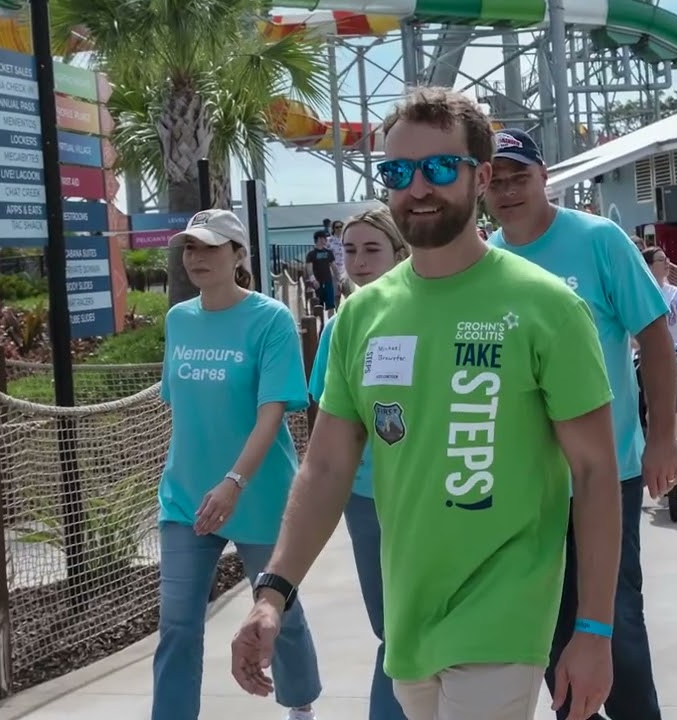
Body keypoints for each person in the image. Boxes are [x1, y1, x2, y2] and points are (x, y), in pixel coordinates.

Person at [231, 86, 621, 720]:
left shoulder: (547, 307)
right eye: (398, 171)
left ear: (481, 176)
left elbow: (596, 472)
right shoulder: (361, 315)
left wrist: (595, 629)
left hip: (505, 612)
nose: (418, 188)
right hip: (410, 619)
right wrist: (273, 594)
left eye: (440, 168)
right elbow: (326, 468)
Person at [485, 127, 677, 720]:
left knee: (613, 621)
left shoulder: (598, 240)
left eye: (520, 176)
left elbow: (654, 334)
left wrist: (664, 437)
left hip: (605, 472)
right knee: (546, 628)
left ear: (545, 177)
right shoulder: (486, 260)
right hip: (525, 486)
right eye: (495, 181)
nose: (509, 190)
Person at [155, 209, 321, 720]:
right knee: (178, 625)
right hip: (186, 499)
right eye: (190, 249)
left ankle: (299, 702)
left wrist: (233, 482)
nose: (197, 258)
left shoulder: (270, 320)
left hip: (259, 494)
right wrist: (203, 480)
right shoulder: (179, 319)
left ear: (238, 255)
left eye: (210, 247)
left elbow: (272, 413)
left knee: (278, 612)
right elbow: (182, 407)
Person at [307, 207, 410, 720]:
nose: (360, 262)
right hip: (366, 498)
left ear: (400, 252)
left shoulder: (429, 317)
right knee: (391, 630)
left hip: (429, 493)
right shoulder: (338, 329)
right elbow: (325, 425)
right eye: (350, 251)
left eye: (373, 250)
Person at [642, 246, 677, 346]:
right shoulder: (639, 294)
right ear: (648, 266)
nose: (667, 263)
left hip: (675, 351)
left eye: (667, 259)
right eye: (661, 260)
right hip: (650, 351)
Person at [306, 230, 340, 315]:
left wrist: (339, 278)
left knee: (331, 305)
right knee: (318, 305)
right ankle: (320, 325)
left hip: (328, 281)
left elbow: (333, 266)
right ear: (319, 239)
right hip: (317, 283)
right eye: (323, 238)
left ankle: (330, 325)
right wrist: (314, 280)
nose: (325, 240)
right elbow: (309, 269)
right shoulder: (311, 254)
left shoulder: (329, 252)